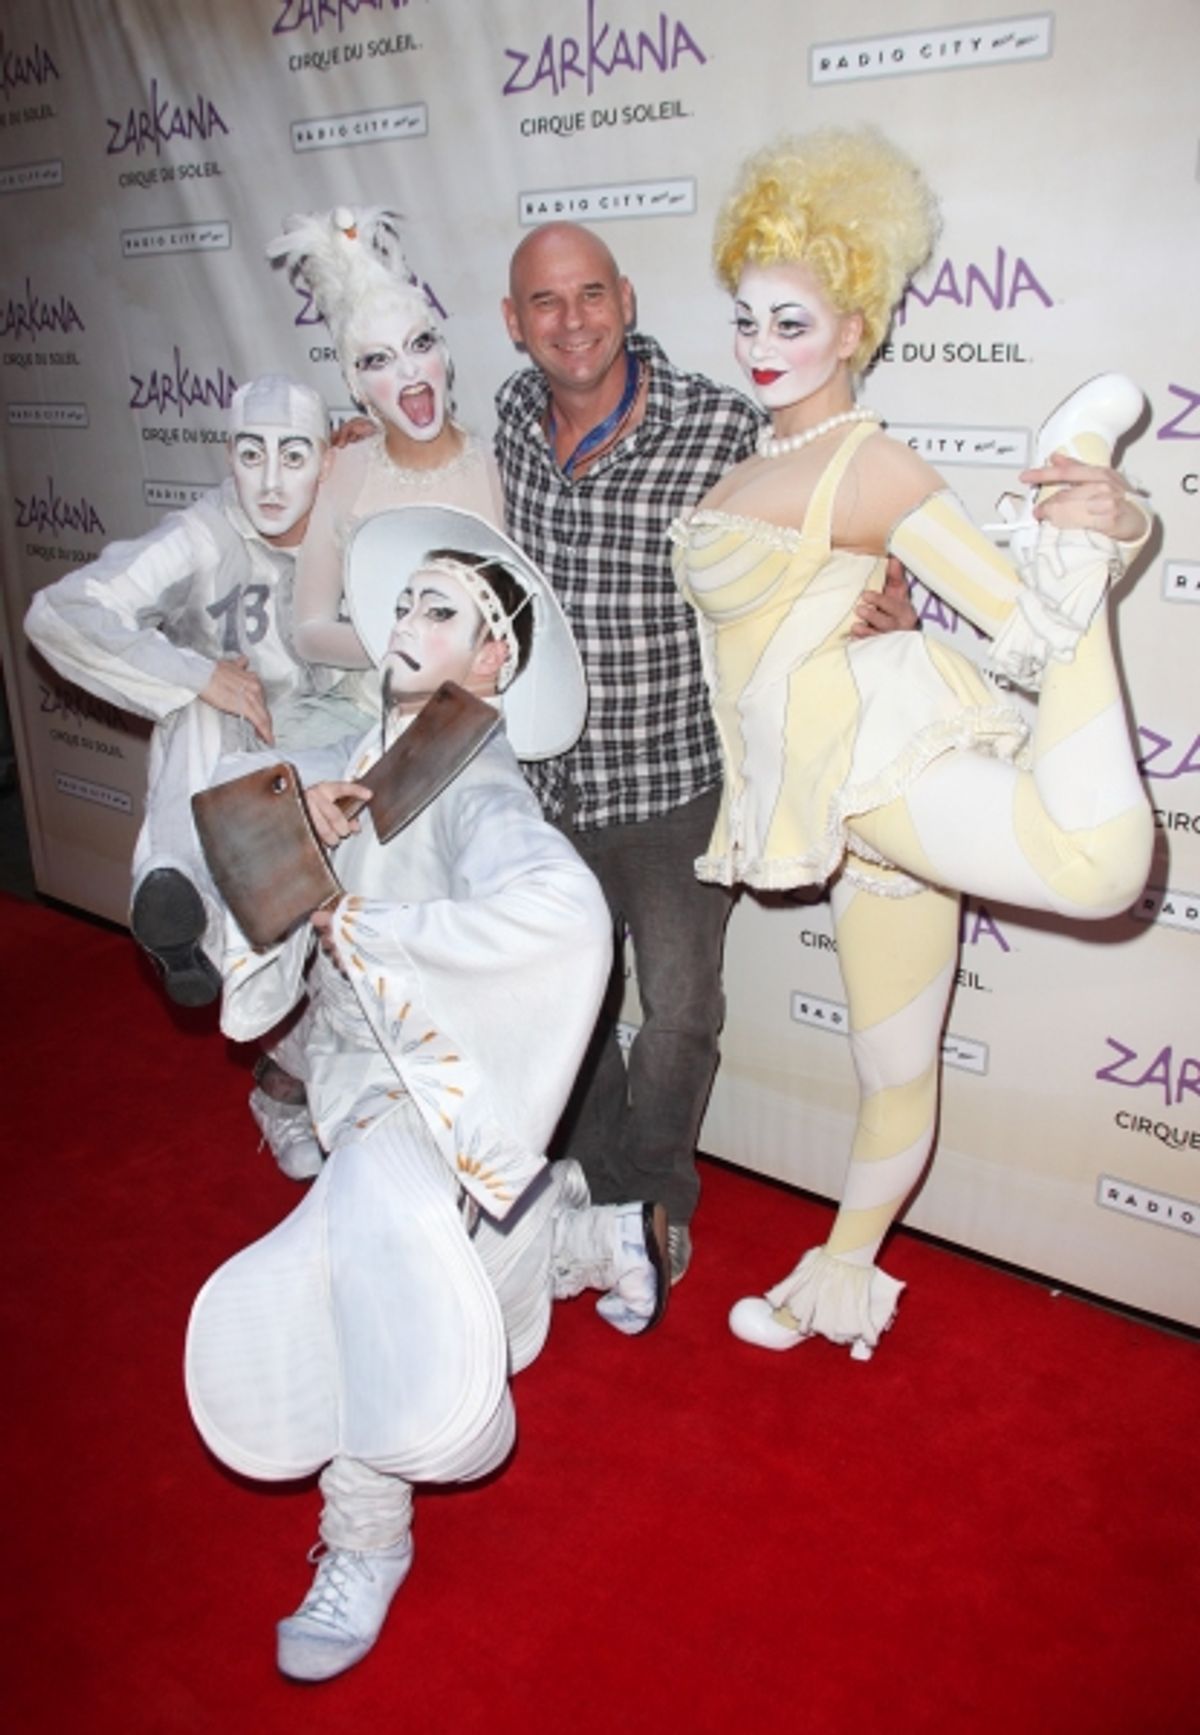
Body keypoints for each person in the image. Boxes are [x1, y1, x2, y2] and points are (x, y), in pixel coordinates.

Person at [668, 127, 1153, 1358]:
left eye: (792, 322)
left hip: (872, 757)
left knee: (1099, 866)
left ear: (853, 328)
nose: (762, 346)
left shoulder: (868, 462)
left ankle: (1074, 462)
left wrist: (1108, 524)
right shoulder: (756, 454)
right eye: (748, 320)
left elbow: (1017, 620)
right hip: (833, 804)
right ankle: (837, 1276)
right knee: (893, 1066)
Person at [185, 504, 670, 1682]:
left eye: (440, 609)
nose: (406, 618)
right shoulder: (373, 751)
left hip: (418, 1079)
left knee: (373, 1280)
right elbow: (276, 902)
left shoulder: (480, 778)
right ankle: (596, 1237)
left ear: (493, 657)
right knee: (460, 1253)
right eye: (405, 600)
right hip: (355, 1064)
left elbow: (562, 913)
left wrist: (368, 925)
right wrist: (304, 837)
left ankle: (366, 1537)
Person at [495, 220, 916, 1282]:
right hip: (539, 786)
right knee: (569, 1003)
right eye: (546, 301)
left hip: (676, 780)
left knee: (681, 1011)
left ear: (627, 300)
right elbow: (427, 482)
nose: (572, 320)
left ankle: (654, 1197)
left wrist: (885, 595)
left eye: (591, 294)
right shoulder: (504, 422)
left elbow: (831, 506)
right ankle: (592, 1182)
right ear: (513, 322)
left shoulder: (721, 424)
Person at [23, 374, 366, 1011]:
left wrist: (379, 456)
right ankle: (178, 896)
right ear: (228, 456)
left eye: (294, 457)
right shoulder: (205, 533)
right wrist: (199, 675)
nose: (270, 483)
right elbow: (60, 613)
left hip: (344, 754)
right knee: (193, 704)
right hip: (241, 759)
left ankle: (217, 931)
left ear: (326, 462)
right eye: (251, 455)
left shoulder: (360, 510)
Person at [266, 205, 504, 678]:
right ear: (356, 386)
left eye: (420, 344)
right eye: (380, 359)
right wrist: (408, 645)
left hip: (481, 700)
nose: (409, 369)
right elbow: (309, 631)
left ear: (444, 356)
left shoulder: (499, 467)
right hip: (371, 706)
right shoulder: (343, 470)